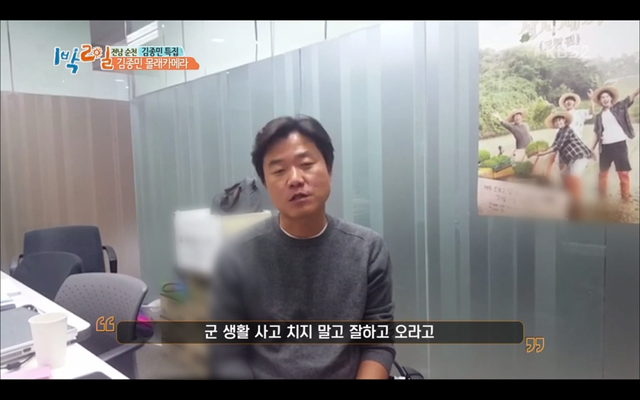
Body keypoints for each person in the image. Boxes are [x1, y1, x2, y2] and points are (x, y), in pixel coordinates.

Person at [209, 115, 395, 379]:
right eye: (279, 171)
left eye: (306, 164)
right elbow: (227, 353)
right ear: (265, 184)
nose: (295, 179)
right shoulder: (237, 255)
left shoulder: (367, 249)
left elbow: (377, 343)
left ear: (329, 169)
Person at [537, 110, 593, 216]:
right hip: (571, 159)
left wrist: (543, 153)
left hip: (580, 156)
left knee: (573, 177)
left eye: (560, 120)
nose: (558, 122)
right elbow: (554, 145)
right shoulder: (559, 132)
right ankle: (568, 198)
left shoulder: (567, 130)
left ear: (564, 120)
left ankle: (577, 206)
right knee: (563, 174)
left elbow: (557, 146)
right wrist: (543, 151)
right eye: (556, 121)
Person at [590, 86, 639, 203]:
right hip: (605, 146)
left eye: (607, 96)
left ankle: (625, 197)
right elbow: (597, 133)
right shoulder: (599, 116)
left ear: (611, 98)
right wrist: (592, 148)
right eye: (602, 97)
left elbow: (633, 95)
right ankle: (602, 197)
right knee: (603, 173)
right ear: (600, 101)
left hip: (620, 144)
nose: (605, 99)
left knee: (623, 172)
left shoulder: (620, 107)